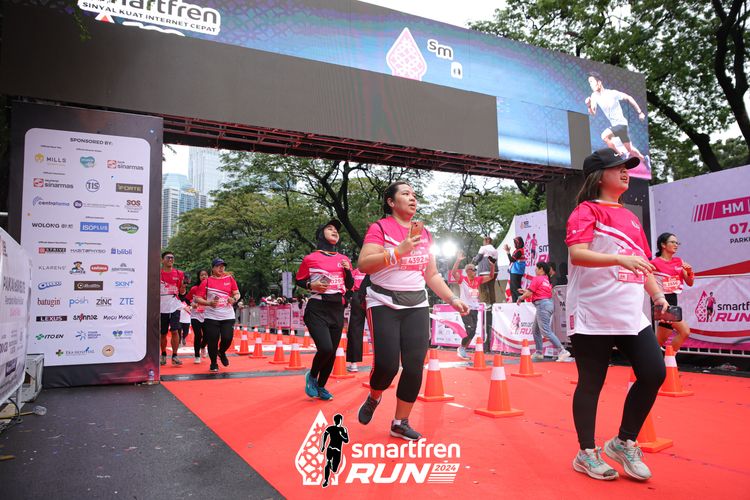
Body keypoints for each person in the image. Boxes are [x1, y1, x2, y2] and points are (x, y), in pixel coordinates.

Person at [566, 148, 669, 481]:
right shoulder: (585, 211)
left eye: (627, 167)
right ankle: (586, 453)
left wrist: (658, 296)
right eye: (617, 167)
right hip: (592, 312)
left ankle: (624, 442)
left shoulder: (631, 218)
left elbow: (643, 264)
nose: (625, 172)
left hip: (630, 314)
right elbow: (578, 254)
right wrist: (618, 259)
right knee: (591, 383)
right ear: (599, 176)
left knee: (654, 372)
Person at [356, 181, 469, 440]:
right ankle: (374, 396)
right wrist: (398, 251)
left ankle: (400, 422)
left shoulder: (424, 233)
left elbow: (431, 274)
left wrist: (452, 298)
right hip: (383, 302)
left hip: (417, 304)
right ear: (391, 202)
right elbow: (364, 264)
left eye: (414, 195)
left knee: (414, 366)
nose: (412, 198)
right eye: (405, 194)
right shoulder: (380, 228)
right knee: (386, 365)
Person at [297, 219, 354, 400]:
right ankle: (312, 376)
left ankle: (321, 387)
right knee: (326, 348)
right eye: (329, 228)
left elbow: (350, 285)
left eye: (336, 229)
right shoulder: (310, 258)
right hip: (317, 308)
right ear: (321, 234)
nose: (334, 231)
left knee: (332, 353)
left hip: (336, 309)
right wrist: (310, 285)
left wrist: (348, 271)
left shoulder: (344, 259)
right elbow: (299, 280)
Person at [585, 71, 650, 177]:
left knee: (604, 136)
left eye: (592, 82)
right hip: (616, 126)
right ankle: (644, 159)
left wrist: (640, 112)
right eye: (589, 83)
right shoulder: (594, 96)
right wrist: (588, 106)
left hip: (622, 124)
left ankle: (621, 155)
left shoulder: (612, 93)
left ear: (599, 82)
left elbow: (629, 98)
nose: (590, 85)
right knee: (630, 150)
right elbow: (593, 113)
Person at [193, 258, 241, 373]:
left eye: (223, 266)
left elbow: (237, 293)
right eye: (218, 266)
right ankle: (213, 363)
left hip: (227, 315)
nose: (221, 268)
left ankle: (222, 351)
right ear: (213, 268)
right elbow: (197, 298)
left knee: (227, 338)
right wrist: (209, 303)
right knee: (212, 340)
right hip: (211, 316)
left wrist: (234, 299)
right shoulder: (207, 281)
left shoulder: (229, 279)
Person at [516, 261, 571, 362]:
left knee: (545, 331)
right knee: (535, 330)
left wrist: (520, 298)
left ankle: (562, 351)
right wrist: (525, 292)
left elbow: (529, 294)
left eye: (536, 268)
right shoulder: (546, 279)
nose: (535, 270)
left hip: (542, 305)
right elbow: (537, 292)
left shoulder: (537, 279)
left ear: (541, 269)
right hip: (547, 305)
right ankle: (539, 353)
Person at [651, 233, 695, 351]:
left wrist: (689, 272)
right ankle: (670, 358)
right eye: (673, 242)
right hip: (663, 303)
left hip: (673, 301)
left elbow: (690, 282)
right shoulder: (654, 263)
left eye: (677, 243)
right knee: (685, 331)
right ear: (663, 245)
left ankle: (645, 361)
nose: (676, 245)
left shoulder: (679, 261)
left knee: (659, 341)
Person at [451, 250, 495, 360]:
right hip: (465, 308)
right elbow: (453, 273)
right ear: (467, 271)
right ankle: (461, 348)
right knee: (470, 329)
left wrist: (492, 265)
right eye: (473, 269)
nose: (475, 271)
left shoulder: (477, 280)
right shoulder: (462, 280)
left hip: (475, 308)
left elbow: (491, 276)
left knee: (473, 331)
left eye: (476, 269)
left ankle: (463, 348)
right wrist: (458, 260)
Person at [159, 251, 185, 366]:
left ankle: (175, 356)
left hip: (175, 305)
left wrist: (183, 287)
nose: (170, 259)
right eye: (168, 257)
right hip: (161, 307)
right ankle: (163, 354)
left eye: (172, 258)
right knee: (163, 333)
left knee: (175, 330)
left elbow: (182, 292)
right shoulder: (158, 273)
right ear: (162, 260)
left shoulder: (179, 273)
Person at [346, 268, 367, 373]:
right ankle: (381, 362)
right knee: (378, 329)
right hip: (372, 296)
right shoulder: (375, 268)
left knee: (355, 328)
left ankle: (353, 363)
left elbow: (348, 286)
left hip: (358, 296)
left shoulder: (355, 271)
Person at [319, 414, 349, 488]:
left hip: (333, 450)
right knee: (329, 464)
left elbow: (346, 440)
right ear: (340, 421)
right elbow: (346, 440)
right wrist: (323, 445)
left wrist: (323, 445)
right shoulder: (335, 428)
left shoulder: (340, 429)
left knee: (334, 468)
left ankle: (329, 467)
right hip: (334, 449)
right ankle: (326, 480)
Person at [186, 269, 209, 363]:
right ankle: (197, 356)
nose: (204, 276)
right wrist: (192, 303)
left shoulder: (210, 289)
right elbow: (187, 299)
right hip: (195, 315)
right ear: (199, 277)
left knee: (207, 335)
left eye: (205, 275)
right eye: (201, 275)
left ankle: (203, 346)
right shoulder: (194, 288)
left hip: (207, 314)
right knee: (198, 335)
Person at [473, 236, 498, 303]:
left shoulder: (483, 248)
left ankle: (485, 303)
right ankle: (493, 303)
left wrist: (474, 258)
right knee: (491, 288)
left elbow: (478, 258)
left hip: (484, 272)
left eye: (483, 241)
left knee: (483, 288)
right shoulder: (495, 250)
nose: (483, 242)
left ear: (486, 241)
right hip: (494, 271)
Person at [503, 237, 526, 302]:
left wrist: (508, 252)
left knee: (516, 289)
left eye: (515, 243)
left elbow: (512, 259)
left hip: (516, 271)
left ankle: (521, 303)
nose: (514, 244)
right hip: (515, 271)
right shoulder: (518, 250)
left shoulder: (519, 251)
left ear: (518, 243)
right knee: (513, 289)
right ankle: (515, 303)